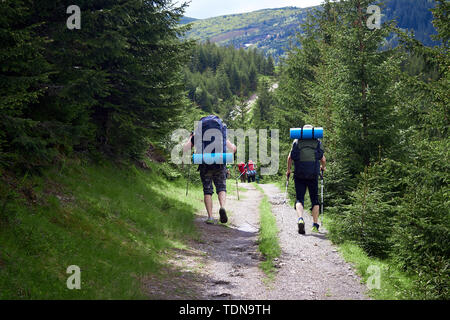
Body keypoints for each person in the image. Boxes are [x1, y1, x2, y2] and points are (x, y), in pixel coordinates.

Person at [183, 115, 237, 225]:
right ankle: (222, 207)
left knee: (207, 190)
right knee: (221, 187)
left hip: (204, 163)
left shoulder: (198, 133)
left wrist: (190, 137)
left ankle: (210, 217)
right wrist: (233, 147)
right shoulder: (221, 133)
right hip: (219, 162)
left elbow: (185, 148)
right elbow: (233, 149)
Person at [286, 125, 326, 234]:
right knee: (315, 200)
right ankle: (315, 225)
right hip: (313, 174)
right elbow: (322, 158)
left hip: (299, 174)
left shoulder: (297, 141)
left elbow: (290, 158)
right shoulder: (317, 141)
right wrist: (323, 167)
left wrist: (288, 170)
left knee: (299, 199)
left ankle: (300, 219)